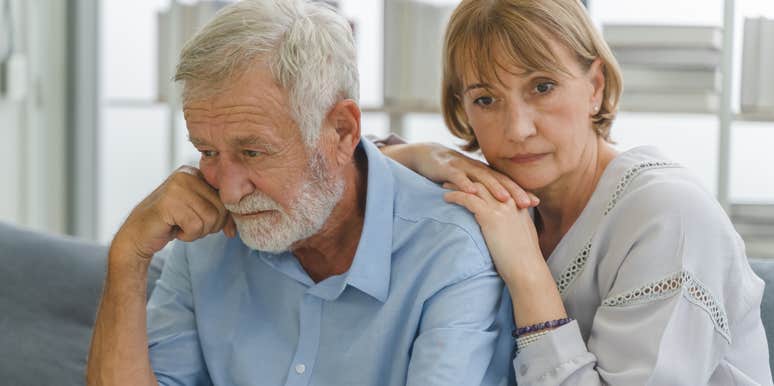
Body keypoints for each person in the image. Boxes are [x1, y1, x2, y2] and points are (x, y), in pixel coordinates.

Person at [85, 1, 517, 385]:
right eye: (207, 151)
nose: (230, 191)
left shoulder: (449, 253)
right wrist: (128, 256)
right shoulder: (203, 237)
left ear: (342, 130)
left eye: (253, 152)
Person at [381, 0, 773, 384]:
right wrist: (423, 155)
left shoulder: (670, 216)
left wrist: (528, 273)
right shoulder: (496, 198)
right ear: (463, 108)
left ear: (595, 88)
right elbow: (335, 168)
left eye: (542, 87)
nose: (517, 129)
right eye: (486, 99)